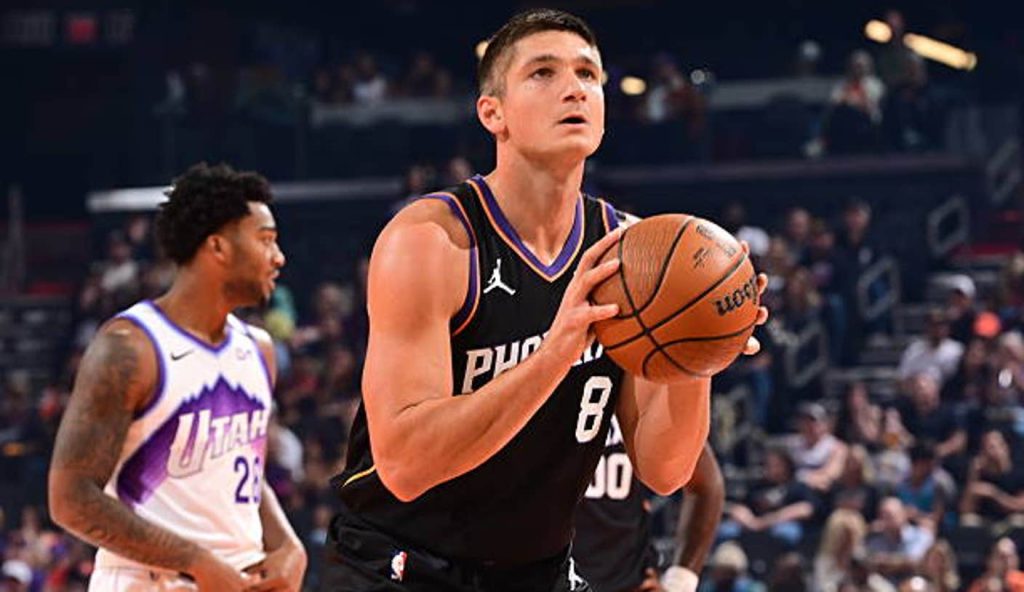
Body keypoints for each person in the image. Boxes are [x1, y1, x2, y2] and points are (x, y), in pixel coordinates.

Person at [321, 8, 767, 591]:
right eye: (543, 73)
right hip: (401, 565)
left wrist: (701, 352)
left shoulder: (632, 256)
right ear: (493, 113)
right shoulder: (431, 241)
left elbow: (664, 470)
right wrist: (555, 352)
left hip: (537, 570)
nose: (573, 88)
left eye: (588, 74)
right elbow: (405, 466)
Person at [48, 163, 306, 591]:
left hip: (237, 577)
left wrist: (286, 543)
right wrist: (196, 561)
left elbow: (239, 468)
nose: (278, 257)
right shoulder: (131, 347)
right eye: (266, 240)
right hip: (149, 581)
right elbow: (71, 499)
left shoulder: (259, 350)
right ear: (218, 247)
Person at [574, 439, 724, 592]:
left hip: (628, 581)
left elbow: (705, 484)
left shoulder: (633, 415)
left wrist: (679, 582)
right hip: (558, 579)